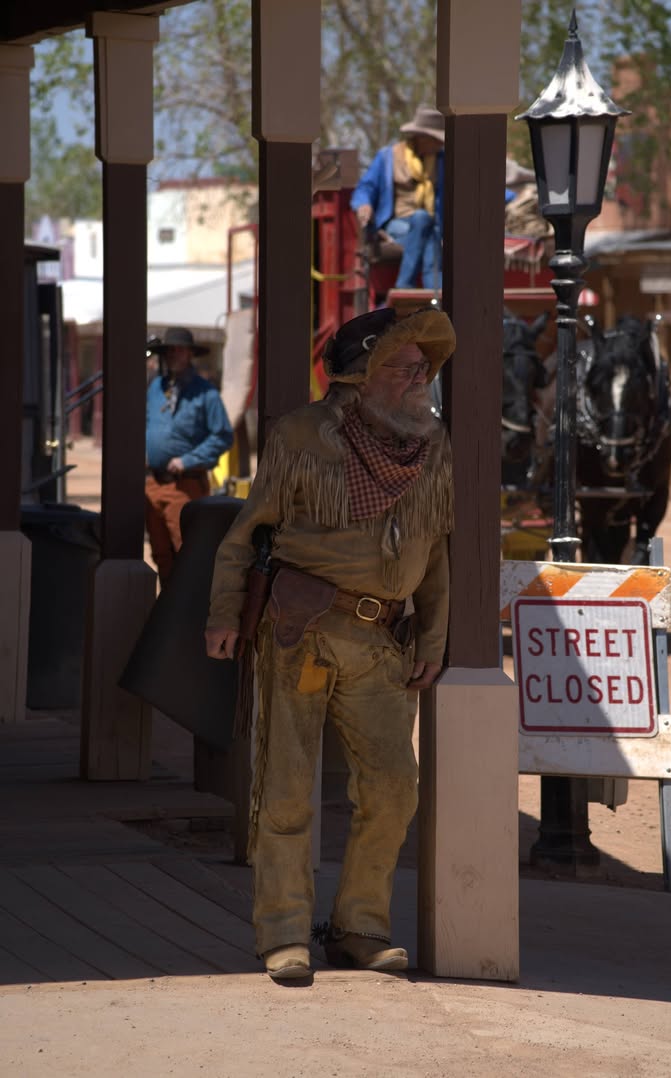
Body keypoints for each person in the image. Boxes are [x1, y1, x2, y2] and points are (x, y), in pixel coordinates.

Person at [205, 306, 455, 981]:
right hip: (300, 631)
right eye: (404, 365)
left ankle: (359, 928)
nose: (420, 376)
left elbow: (436, 553)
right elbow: (246, 535)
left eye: (424, 367)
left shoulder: (433, 445)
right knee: (286, 788)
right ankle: (283, 932)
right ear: (361, 375)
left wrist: (433, 632)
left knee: (394, 788)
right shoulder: (300, 437)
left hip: (384, 642)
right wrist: (225, 614)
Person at [145, 326, 234, 585]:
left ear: (190, 354)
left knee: (187, 552)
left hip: (186, 485)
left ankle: (189, 616)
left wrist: (187, 460)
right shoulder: (154, 389)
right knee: (161, 553)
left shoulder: (206, 393)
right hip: (153, 484)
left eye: (180, 350)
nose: (174, 354)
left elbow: (223, 435)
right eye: (170, 350)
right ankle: (168, 614)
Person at [350, 105, 445, 290]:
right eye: (436, 140)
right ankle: (434, 292)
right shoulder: (388, 157)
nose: (440, 145)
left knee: (429, 231)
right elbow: (365, 187)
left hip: (431, 227)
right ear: (421, 138)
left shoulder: (443, 160)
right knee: (422, 219)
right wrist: (364, 204)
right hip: (397, 225)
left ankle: (408, 287)